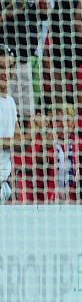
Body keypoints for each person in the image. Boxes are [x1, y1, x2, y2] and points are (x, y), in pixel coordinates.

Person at [0, 45, 19, 203]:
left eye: (10, 67)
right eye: (1, 67)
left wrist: (35, 130)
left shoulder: (11, 102)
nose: (6, 72)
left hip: (4, 184)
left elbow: (20, 143)